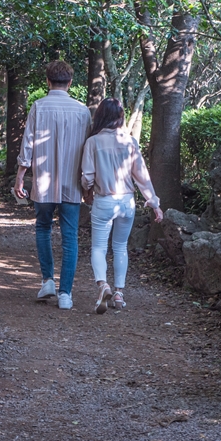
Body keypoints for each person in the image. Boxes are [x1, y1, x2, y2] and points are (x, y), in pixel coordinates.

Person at [13, 60, 92, 310]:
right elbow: (89, 150)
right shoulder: (82, 110)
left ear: (48, 81)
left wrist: (20, 177)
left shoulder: (39, 106)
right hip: (72, 183)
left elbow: (28, 144)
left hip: (43, 183)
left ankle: (47, 280)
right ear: (70, 83)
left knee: (43, 228)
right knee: (70, 237)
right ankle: (66, 293)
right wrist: (89, 185)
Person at [81, 98, 163, 313]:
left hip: (104, 200)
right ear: (120, 117)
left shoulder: (93, 142)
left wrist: (86, 191)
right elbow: (142, 177)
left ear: (100, 116)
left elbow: (87, 177)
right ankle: (119, 293)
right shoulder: (131, 142)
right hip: (127, 201)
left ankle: (103, 285)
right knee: (120, 247)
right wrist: (154, 203)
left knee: (99, 247)